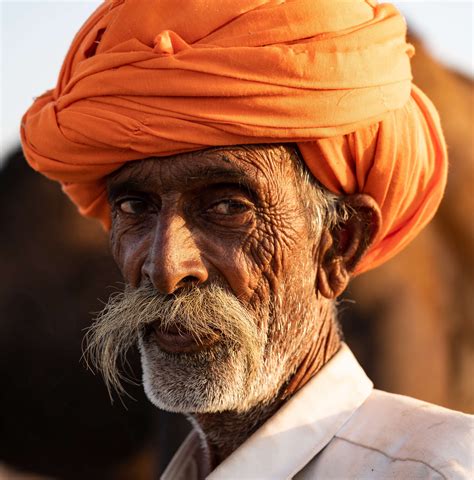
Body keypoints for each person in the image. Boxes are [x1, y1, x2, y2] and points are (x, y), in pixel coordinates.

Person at [20, 1, 472, 478]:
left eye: (229, 207)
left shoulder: (441, 468)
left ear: (339, 243)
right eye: (136, 207)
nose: (166, 267)